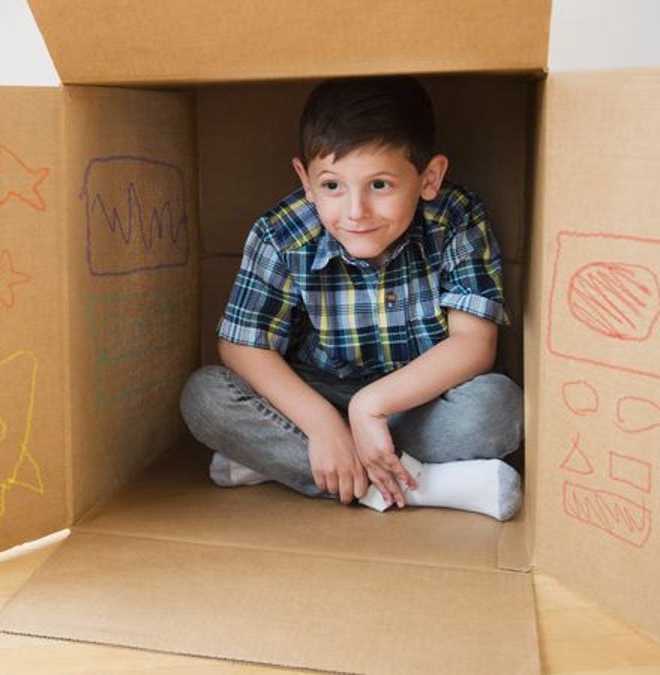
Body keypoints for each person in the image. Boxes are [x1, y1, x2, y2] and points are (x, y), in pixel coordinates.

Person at [180, 76, 523, 521]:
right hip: (315, 394)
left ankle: (284, 463)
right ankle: (422, 486)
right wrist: (324, 425)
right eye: (332, 186)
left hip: (415, 404)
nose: (355, 211)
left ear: (429, 177)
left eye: (380, 185)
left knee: (498, 409)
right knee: (205, 397)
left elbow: (474, 344)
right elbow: (243, 345)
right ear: (306, 180)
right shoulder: (282, 232)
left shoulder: (455, 218)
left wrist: (370, 407)